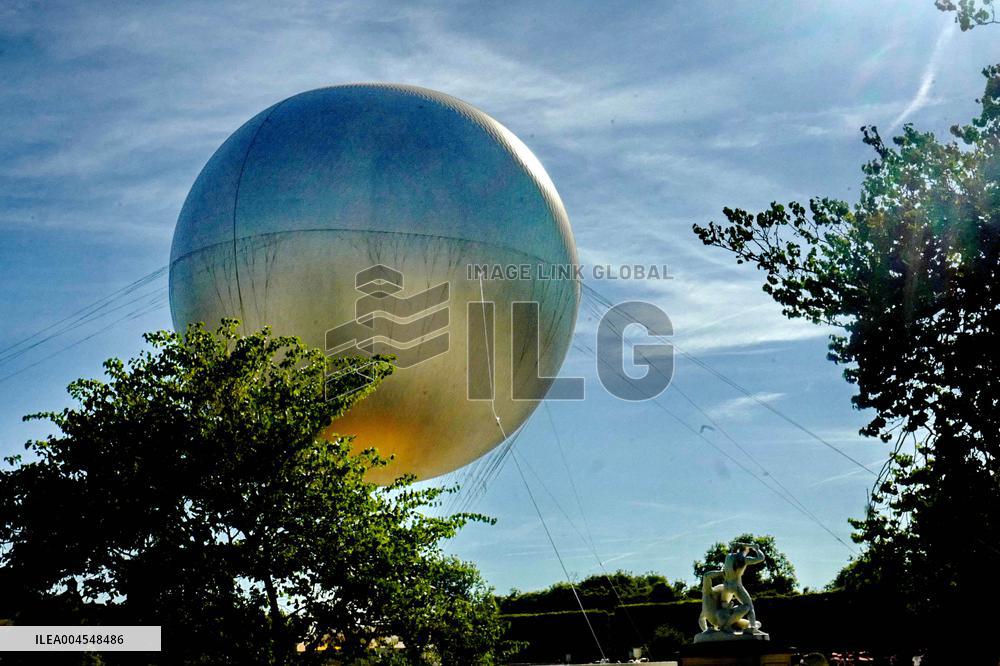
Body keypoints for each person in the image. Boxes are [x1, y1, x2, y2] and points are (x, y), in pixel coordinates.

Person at [719, 542, 765, 632]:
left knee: (723, 606)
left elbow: (733, 550)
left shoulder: (728, 557)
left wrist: (740, 546)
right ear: (745, 550)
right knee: (749, 606)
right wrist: (756, 548)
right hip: (736, 586)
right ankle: (752, 627)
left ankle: (725, 624)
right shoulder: (744, 560)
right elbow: (761, 558)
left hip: (727, 585)